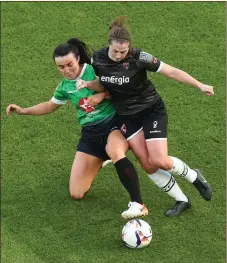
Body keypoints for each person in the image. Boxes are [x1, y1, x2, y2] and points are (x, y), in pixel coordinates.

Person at [76, 16, 213, 217]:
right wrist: (88, 85)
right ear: (108, 45)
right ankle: (182, 200)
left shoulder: (140, 57)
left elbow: (171, 72)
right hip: (126, 117)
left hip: (150, 110)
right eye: (115, 51)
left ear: (129, 47)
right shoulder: (98, 59)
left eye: (123, 51)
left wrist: (199, 85)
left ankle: (195, 176)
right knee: (147, 164)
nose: (119, 55)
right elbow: (103, 82)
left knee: (160, 161)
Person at [6, 38, 149, 219]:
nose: (66, 70)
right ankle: (102, 158)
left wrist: (102, 95)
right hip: (90, 134)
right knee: (76, 193)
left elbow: (123, 90)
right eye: (61, 67)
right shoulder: (65, 87)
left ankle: (138, 203)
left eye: (69, 64)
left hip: (112, 124)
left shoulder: (96, 70)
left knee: (116, 151)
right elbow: (50, 105)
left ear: (78, 59)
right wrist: (23, 110)